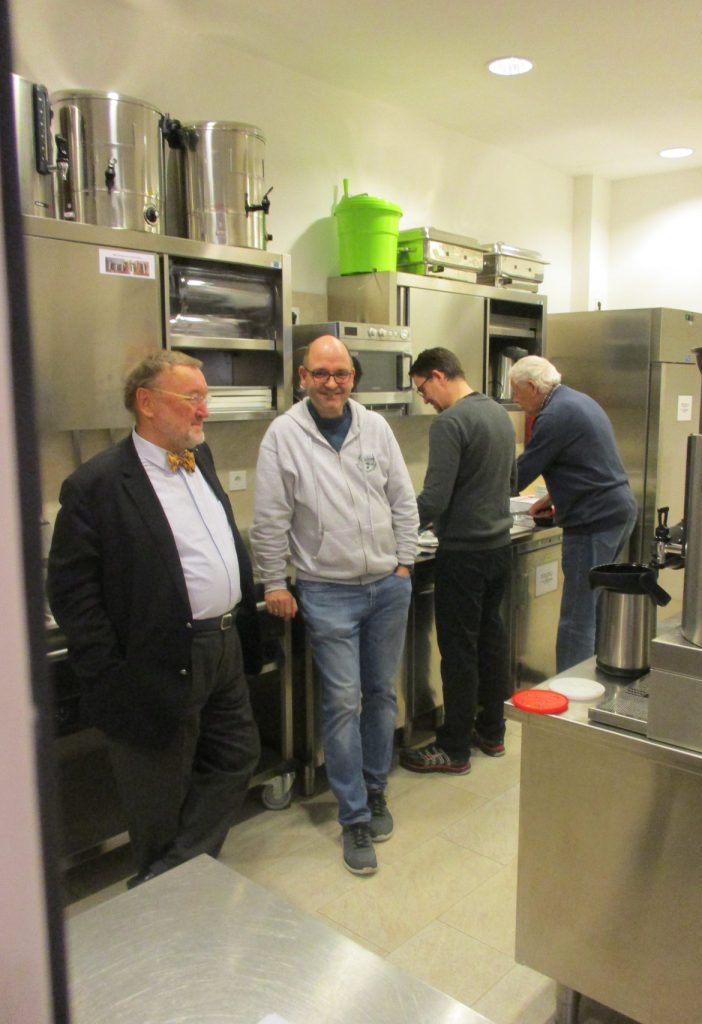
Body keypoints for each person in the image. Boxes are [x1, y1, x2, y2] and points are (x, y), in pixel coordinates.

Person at [47, 351, 261, 888]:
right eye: (192, 398)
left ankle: (166, 878)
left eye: (205, 398)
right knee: (160, 795)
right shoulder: (96, 484)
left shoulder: (199, 457)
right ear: (146, 403)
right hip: (157, 658)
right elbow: (71, 592)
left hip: (224, 645)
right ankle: (169, 892)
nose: (203, 410)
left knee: (237, 757)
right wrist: (110, 672)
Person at [250, 334, 418, 875]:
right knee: (343, 702)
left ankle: (376, 790)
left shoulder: (375, 426)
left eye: (341, 373)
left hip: (387, 586)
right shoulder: (284, 435)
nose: (331, 383)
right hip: (327, 591)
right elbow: (270, 517)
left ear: (352, 377)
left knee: (381, 695)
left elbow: (402, 499)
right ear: (303, 377)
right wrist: (273, 581)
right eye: (320, 373)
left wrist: (405, 562)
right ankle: (354, 817)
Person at [399, 348, 517, 775]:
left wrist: (396, 527)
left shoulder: (449, 422)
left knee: (459, 652)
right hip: (499, 549)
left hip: (464, 555)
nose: (425, 399)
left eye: (422, 389)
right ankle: (492, 731)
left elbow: (434, 498)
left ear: (437, 375)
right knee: (491, 643)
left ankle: (453, 748)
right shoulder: (499, 413)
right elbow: (510, 480)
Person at [509, 354, 637, 673]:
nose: (515, 400)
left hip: (593, 521)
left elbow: (519, 474)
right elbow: (587, 462)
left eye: (516, 392)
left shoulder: (554, 415)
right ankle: (592, 681)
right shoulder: (578, 401)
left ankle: (569, 694)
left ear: (532, 386)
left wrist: (479, 491)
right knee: (592, 609)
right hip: (616, 511)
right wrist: (553, 496)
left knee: (577, 618)